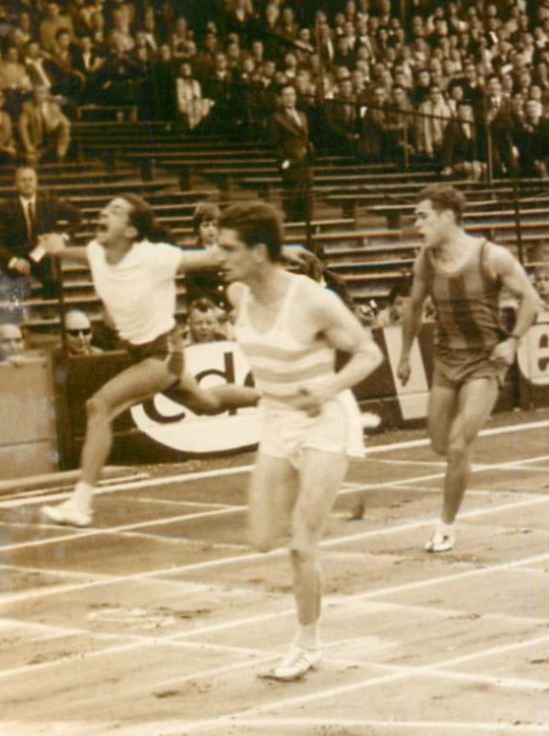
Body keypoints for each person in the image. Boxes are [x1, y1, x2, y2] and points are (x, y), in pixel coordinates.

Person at [218, 201, 383, 681]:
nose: (218, 255)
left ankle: (306, 645)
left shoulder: (311, 300)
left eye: (229, 248)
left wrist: (327, 388)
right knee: (261, 538)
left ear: (259, 251)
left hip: (323, 420)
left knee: (301, 545)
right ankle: (324, 502)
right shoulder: (237, 294)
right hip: (276, 421)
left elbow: (368, 352)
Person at [37, 195, 262, 528]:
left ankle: (81, 504)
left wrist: (278, 252)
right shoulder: (97, 253)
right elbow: (78, 254)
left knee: (98, 406)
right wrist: (55, 250)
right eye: (106, 208)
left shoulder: (154, 257)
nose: (104, 212)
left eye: (115, 211)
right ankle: (279, 394)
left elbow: (213, 256)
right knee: (207, 402)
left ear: (130, 231)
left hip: (164, 353)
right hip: (141, 352)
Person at [395, 185, 540, 553]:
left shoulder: (492, 256)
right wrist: (405, 354)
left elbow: (530, 300)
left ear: (447, 216)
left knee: (459, 445)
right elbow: (413, 307)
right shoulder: (425, 260)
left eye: (422, 216)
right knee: (440, 443)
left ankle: (445, 526)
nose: (416, 225)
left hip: (484, 361)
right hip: (446, 360)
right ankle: (460, 471)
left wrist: (514, 341)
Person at [0, 165, 80, 316]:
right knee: (15, 285)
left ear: (36, 182)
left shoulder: (49, 203)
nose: (27, 183)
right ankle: (18, 312)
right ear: (16, 184)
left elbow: (77, 217)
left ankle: (49, 307)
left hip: (42, 254)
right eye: (23, 180)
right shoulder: (6, 207)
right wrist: (13, 261)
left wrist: (62, 237)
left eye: (31, 179)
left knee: (51, 265)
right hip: (18, 255)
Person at [269, 83, 315, 228]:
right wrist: (285, 161)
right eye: (286, 95)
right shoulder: (277, 118)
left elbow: (305, 138)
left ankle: (308, 224)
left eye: (292, 95)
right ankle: (294, 226)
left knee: (307, 195)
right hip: (291, 162)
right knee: (292, 195)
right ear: (281, 98)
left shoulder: (302, 115)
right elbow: (275, 143)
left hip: (305, 161)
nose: (290, 98)